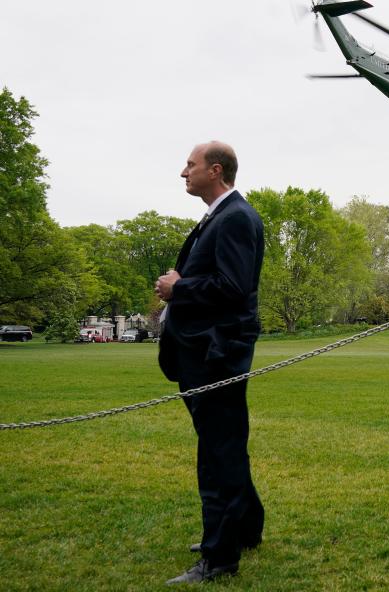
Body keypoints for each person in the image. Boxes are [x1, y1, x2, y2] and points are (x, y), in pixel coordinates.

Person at [155, 141, 265, 584]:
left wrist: (178, 288)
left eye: (190, 165)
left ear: (215, 170)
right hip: (205, 352)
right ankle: (244, 530)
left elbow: (233, 286)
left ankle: (219, 558)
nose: (183, 172)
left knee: (218, 454)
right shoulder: (220, 215)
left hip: (216, 354)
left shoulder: (236, 216)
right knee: (226, 446)